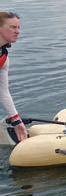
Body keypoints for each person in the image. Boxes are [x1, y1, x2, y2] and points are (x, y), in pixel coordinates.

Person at [0, 11, 27, 143]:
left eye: (18, 27)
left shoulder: (3, 57)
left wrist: (16, 121)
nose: (17, 32)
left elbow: (3, 92)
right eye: (13, 27)